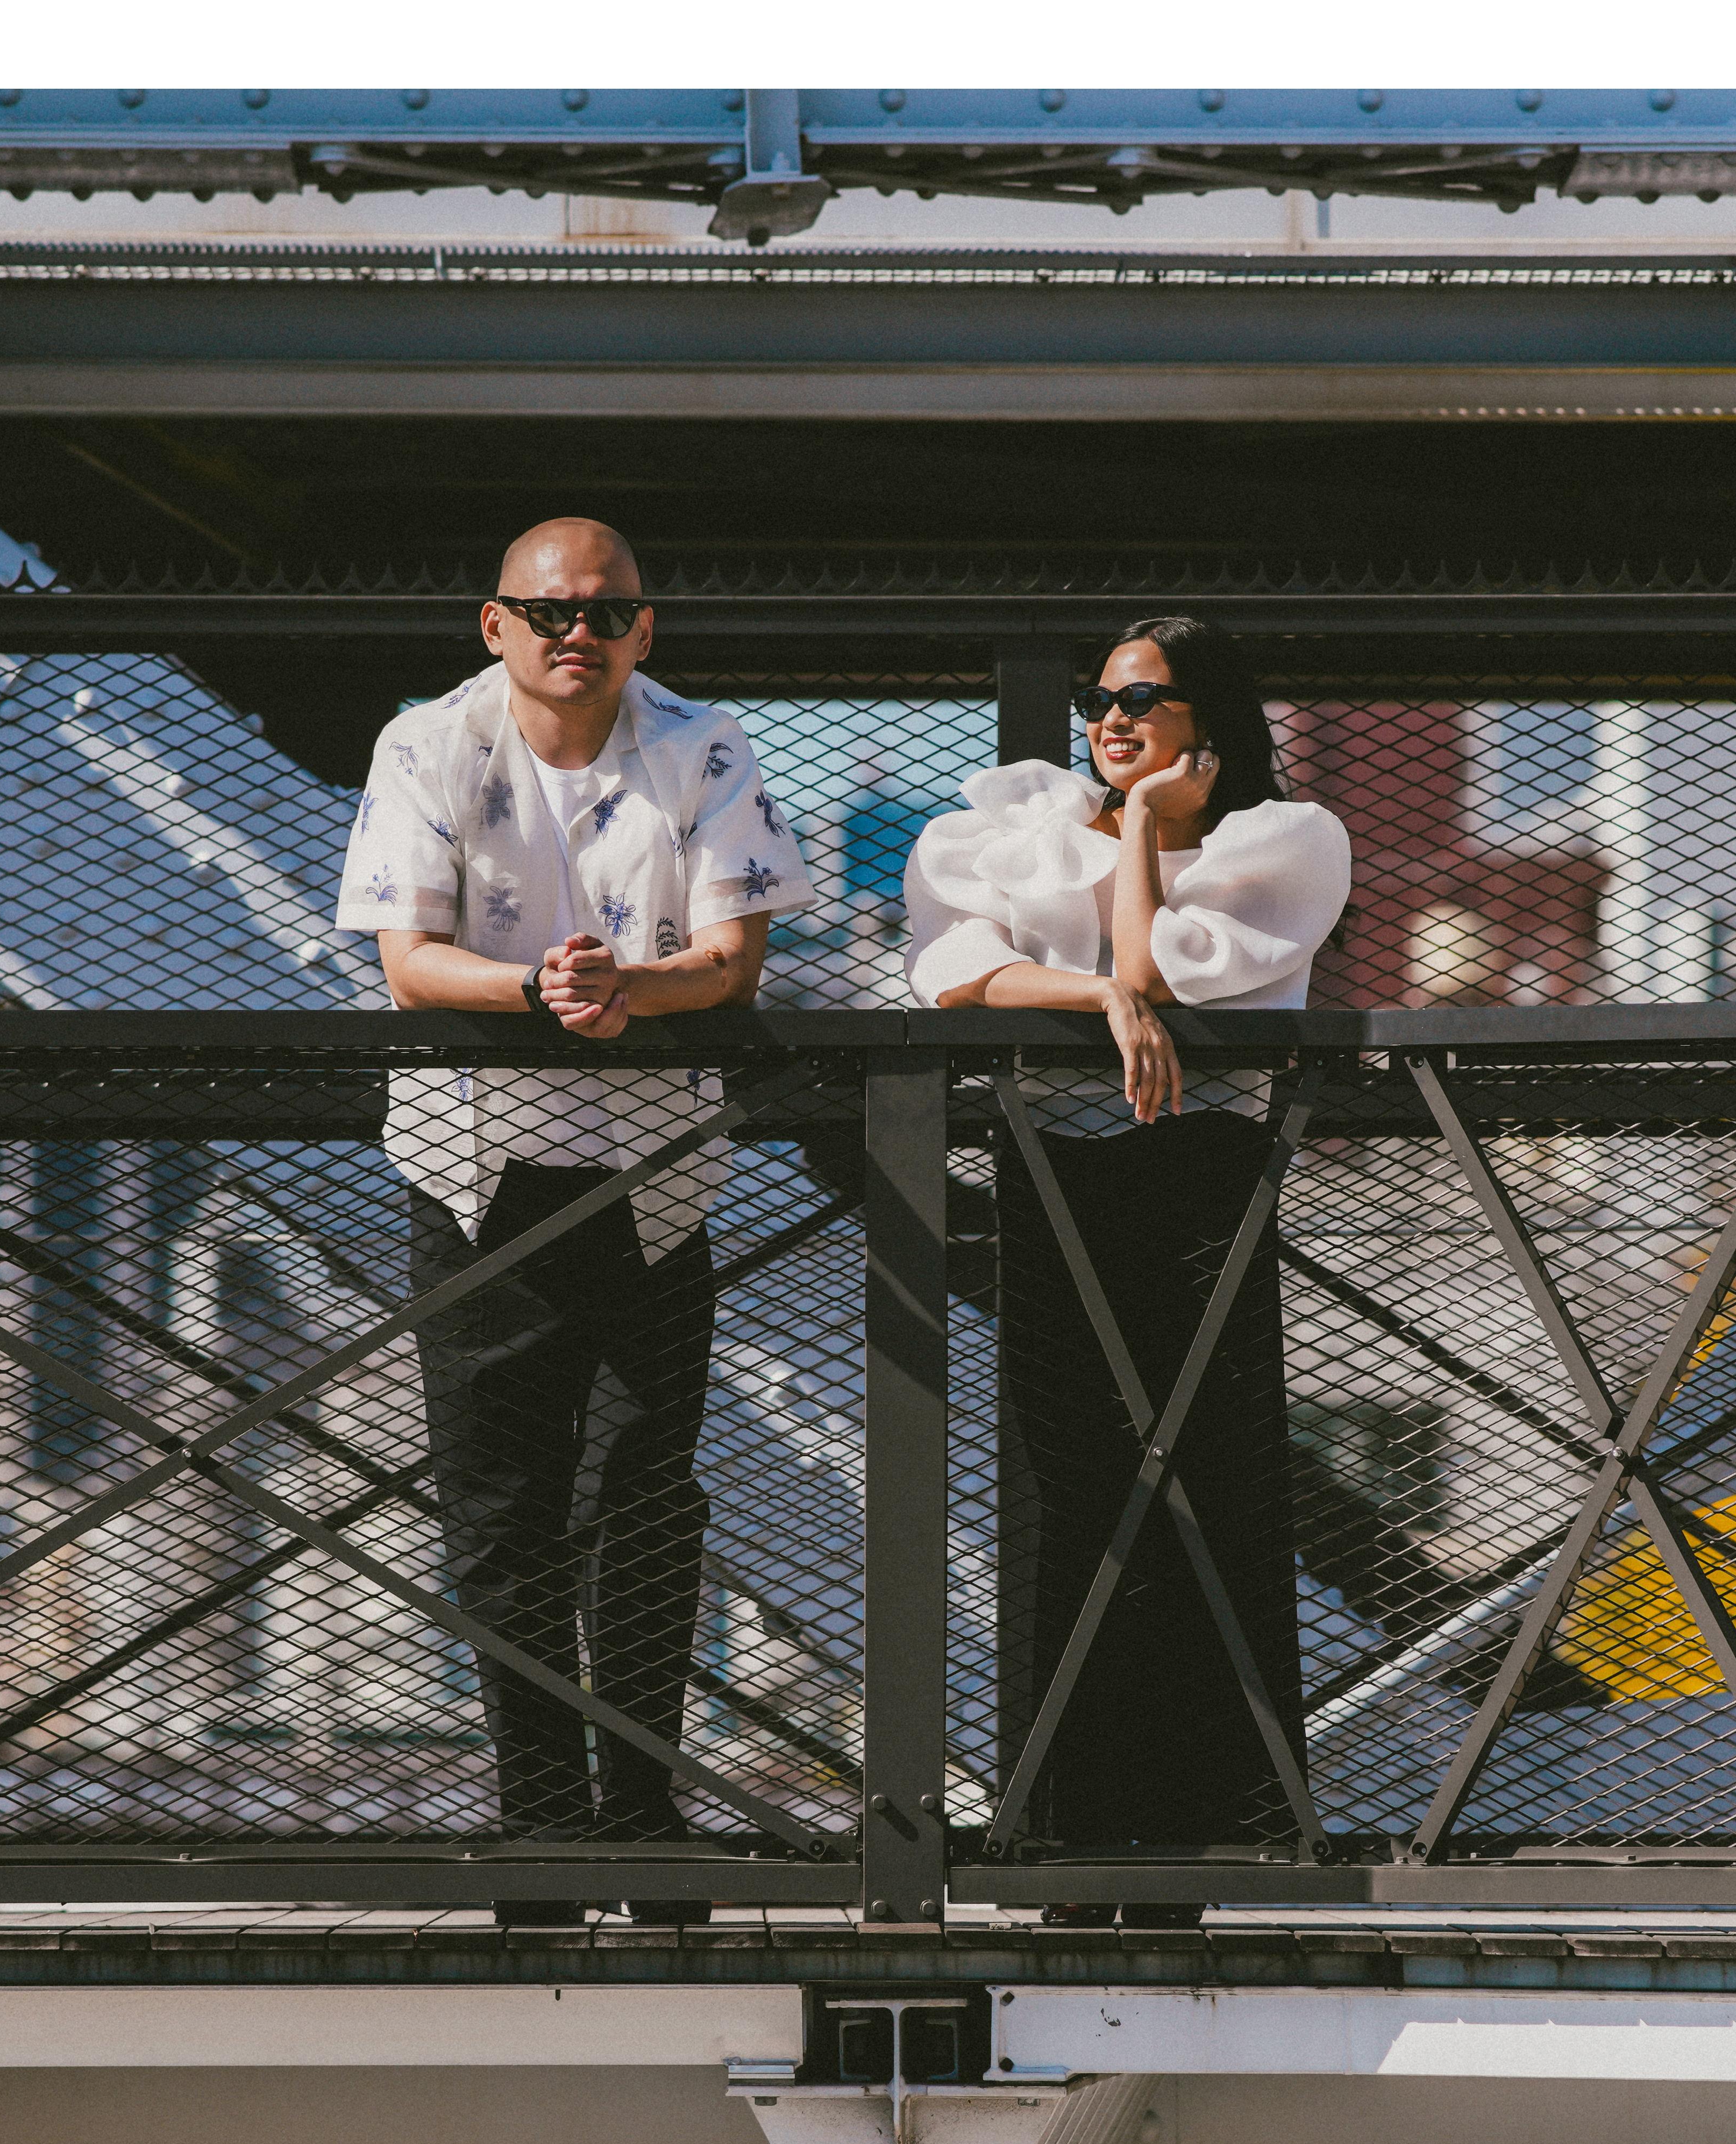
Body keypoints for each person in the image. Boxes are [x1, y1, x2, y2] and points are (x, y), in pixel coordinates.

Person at [335, 518, 813, 1926]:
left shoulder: (704, 746)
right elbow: (410, 964)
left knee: (644, 1495)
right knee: (499, 1506)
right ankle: (541, 1821)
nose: (577, 634)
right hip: (472, 1171)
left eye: (606, 612)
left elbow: (730, 962)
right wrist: (549, 992)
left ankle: (640, 1813)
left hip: (650, 1177)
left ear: (643, 628)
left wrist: (629, 992)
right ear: (494, 624)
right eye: (548, 611)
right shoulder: (427, 744)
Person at [901, 617, 1351, 1922]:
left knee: (1208, 1491)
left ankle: (1201, 1844)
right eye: (1100, 696)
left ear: (1209, 714)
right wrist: (1095, 999)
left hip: (1205, 1180)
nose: (1109, 717)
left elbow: (1156, 965)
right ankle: (1067, 1832)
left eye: (1143, 697)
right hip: (1057, 1178)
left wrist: (1145, 832)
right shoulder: (1025, 821)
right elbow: (954, 973)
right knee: (1071, 1495)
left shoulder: (1284, 839)